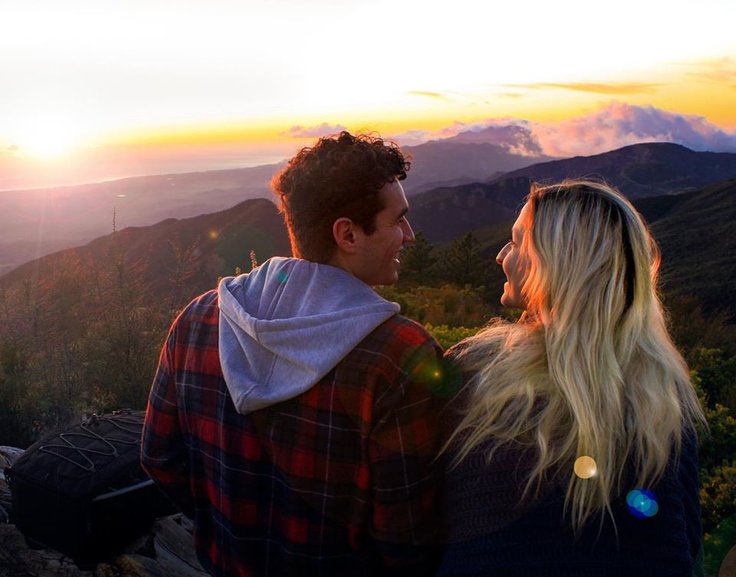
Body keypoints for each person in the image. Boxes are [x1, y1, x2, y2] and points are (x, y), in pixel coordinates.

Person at [141, 131, 449, 577]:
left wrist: (228, 528)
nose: (410, 235)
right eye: (398, 220)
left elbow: (158, 458)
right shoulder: (398, 357)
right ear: (347, 234)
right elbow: (408, 542)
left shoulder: (199, 319)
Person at [437, 180, 706, 576]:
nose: (499, 255)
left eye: (515, 243)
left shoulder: (475, 373)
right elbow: (684, 538)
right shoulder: (663, 397)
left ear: (554, 263)